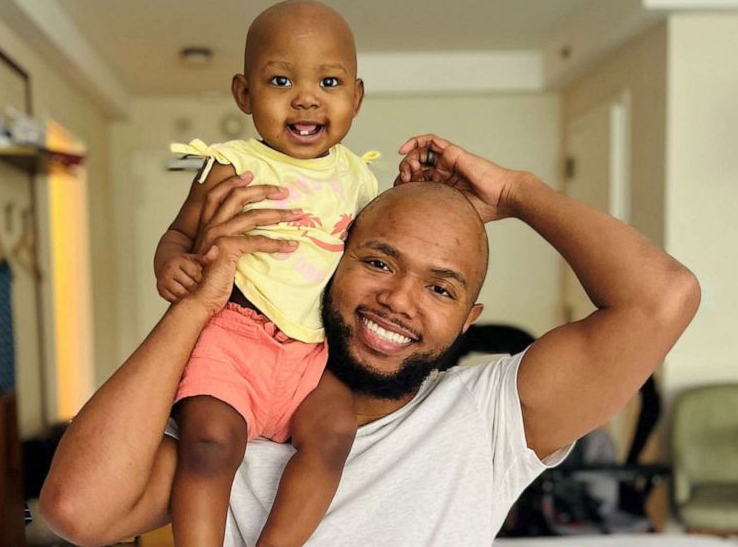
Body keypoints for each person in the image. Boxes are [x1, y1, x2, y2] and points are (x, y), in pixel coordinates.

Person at [40, 135, 700, 547]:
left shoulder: (489, 421)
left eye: (441, 289)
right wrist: (200, 306)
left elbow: (662, 299)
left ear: (468, 320)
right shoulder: (236, 417)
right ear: (332, 263)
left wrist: (516, 191)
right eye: (378, 263)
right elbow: (75, 510)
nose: (399, 300)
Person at [152, 0, 378, 546]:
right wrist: (172, 264)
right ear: (245, 94)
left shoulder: (360, 180)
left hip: (315, 351)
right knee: (207, 444)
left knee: (334, 434)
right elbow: (179, 234)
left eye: (329, 81)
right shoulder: (230, 164)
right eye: (280, 79)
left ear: (356, 97)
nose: (306, 97)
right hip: (233, 336)